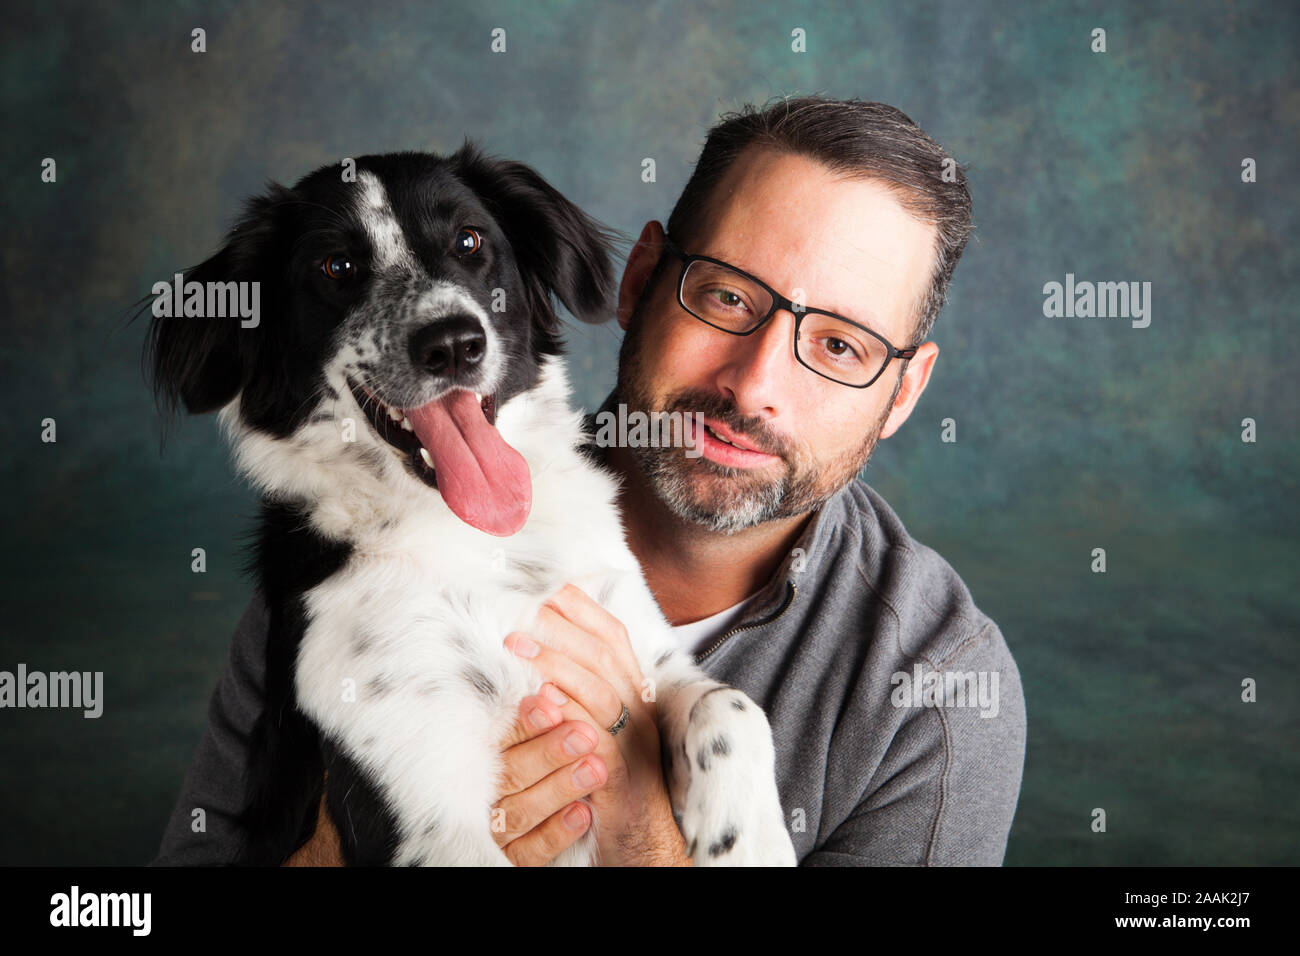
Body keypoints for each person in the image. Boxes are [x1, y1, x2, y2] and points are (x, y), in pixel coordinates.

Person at [152, 95, 1026, 867]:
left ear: (905, 390)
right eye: (727, 297)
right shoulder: (331, 556)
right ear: (642, 281)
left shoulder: (937, 692)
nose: (756, 384)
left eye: (842, 344)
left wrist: (640, 828)